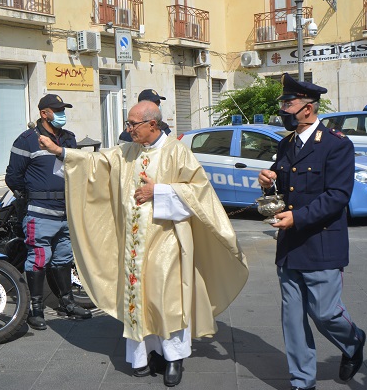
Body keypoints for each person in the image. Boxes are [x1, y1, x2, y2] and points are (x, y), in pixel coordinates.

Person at [38, 100, 248, 387]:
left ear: (152, 124)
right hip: (134, 245)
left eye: (132, 124)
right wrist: (61, 152)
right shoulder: (128, 151)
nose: (128, 129)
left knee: (167, 300)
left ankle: (174, 357)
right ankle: (146, 354)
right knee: (139, 298)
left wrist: (158, 191)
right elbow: (97, 163)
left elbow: (199, 193)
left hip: (168, 243)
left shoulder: (177, 152)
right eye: (128, 123)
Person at [257, 73, 366, 390]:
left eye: (288, 103)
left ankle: (354, 341)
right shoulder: (285, 143)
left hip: (321, 242)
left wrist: (297, 217)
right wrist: (267, 180)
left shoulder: (336, 145)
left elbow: (337, 196)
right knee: (292, 320)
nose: (283, 109)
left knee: (326, 313)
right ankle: (302, 381)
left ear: (308, 107)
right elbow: (282, 185)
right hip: (290, 246)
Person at [5, 93, 92, 331]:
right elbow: (13, 176)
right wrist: (31, 197)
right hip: (40, 211)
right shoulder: (26, 140)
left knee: (63, 257)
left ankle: (67, 302)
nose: (62, 114)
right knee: (39, 258)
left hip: (66, 212)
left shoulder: (69, 138)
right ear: (44, 113)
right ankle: (36, 309)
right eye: (57, 110)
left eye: (63, 110)